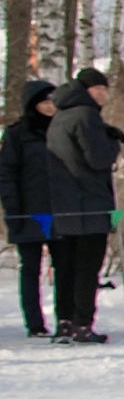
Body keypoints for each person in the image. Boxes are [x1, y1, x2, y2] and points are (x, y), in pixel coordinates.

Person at [43, 67, 122, 343]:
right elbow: (98, 159)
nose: (102, 95)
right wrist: (112, 142)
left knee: (66, 268)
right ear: (85, 91)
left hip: (64, 205)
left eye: (104, 90)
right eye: (98, 90)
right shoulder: (86, 115)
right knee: (88, 269)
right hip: (88, 203)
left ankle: (64, 322)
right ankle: (82, 324)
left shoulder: (59, 116)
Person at [0, 80, 57, 336]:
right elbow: (6, 173)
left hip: (61, 210)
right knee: (31, 268)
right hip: (28, 210)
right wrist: (13, 210)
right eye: (45, 101)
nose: (50, 106)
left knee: (65, 267)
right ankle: (35, 323)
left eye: (53, 101)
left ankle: (66, 318)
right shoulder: (17, 134)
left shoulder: (62, 129)